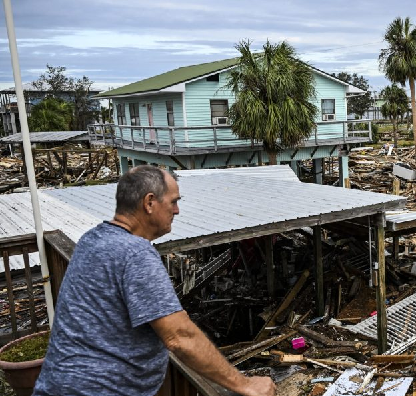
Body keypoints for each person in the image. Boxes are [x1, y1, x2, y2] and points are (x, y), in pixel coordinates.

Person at [34, 165, 275, 396]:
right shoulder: (135, 253)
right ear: (149, 203)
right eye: (173, 202)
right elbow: (179, 337)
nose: (177, 210)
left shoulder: (93, 239)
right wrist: (244, 384)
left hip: (59, 384)